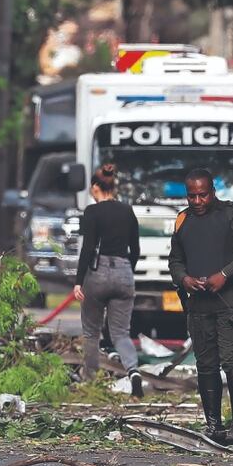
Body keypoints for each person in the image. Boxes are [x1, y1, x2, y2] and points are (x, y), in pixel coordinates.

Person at [168, 169, 233, 448]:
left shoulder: (232, 215)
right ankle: (214, 425)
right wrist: (184, 278)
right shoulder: (182, 220)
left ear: (213, 191)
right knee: (205, 365)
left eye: (203, 194)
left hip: (230, 303)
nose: (197, 200)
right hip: (197, 305)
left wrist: (225, 274)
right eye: (192, 195)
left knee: (232, 361)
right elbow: (174, 260)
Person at [72, 164, 142, 394]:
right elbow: (136, 249)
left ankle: (90, 379)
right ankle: (133, 371)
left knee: (92, 331)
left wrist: (78, 281)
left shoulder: (92, 212)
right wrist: (126, 271)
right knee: (121, 332)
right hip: (124, 271)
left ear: (95, 188)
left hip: (98, 272)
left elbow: (88, 249)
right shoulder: (127, 211)